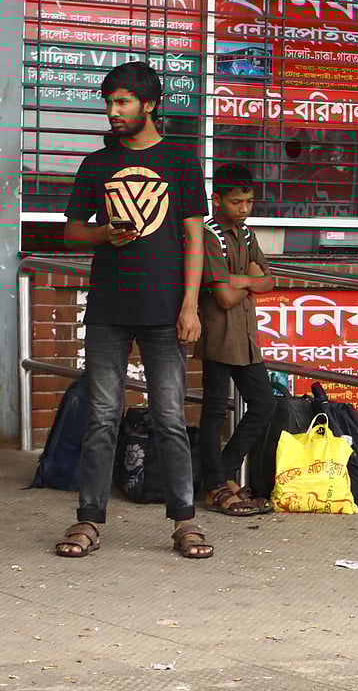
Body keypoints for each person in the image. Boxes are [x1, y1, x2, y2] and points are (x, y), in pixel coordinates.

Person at [56, 61, 214, 559]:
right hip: (108, 307)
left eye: (122, 102)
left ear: (150, 105)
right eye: (108, 102)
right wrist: (105, 233)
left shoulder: (182, 164)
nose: (113, 111)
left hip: (167, 310)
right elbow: (71, 231)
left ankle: (185, 523)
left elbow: (194, 238)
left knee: (169, 418)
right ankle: (88, 520)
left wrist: (190, 305)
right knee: (102, 416)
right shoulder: (96, 165)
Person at [195, 162, 278, 515]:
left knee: (264, 403)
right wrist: (249, 279)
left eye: (249, 202)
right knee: (214, 411)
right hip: (218, 334)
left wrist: (238, 279)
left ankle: (222, 472)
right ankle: (216, 484)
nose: (244, 209)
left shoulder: (247, 234)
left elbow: (269, 281)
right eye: (236, 202)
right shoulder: (208, 234)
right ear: (217, 200)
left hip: (246, 336)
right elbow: (224, 298)